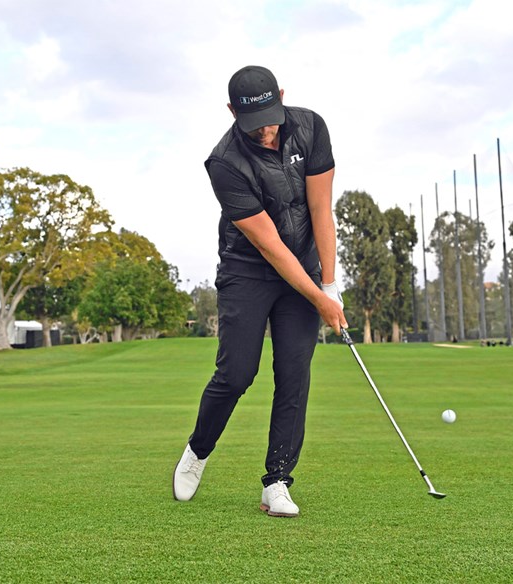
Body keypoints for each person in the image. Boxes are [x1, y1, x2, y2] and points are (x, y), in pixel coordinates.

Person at [173, 65, 347, 517]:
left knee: (294, 373)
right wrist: (320, 299)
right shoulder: (225, 162)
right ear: (232, 112)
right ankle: (198, 450)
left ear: (282, 98)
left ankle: (278, 482)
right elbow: (270, 246)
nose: (267, 131)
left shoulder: (310, 127)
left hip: (304, 268)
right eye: (254, 124)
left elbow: (320, 210)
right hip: (248, 269)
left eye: (271, 118)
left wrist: (329, 285)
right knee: (237, 374)